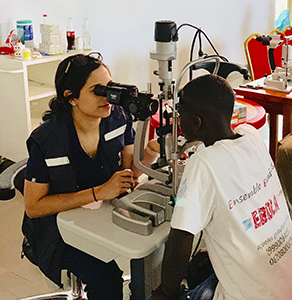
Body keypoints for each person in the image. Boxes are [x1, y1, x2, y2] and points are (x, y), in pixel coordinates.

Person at [22, 52, 158, 300]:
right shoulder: (47, 140)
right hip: (58, 228)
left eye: (110, 88)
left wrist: (149, 152)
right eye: (98, 91)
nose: (109, 97)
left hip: (101, 215)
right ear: (71, 97)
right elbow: (33, 207)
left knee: (156, 249)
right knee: (106, 279)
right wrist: (99, 192)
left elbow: (130, 174)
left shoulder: (119, 117)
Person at [149, 74, 292, 300]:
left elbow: (180, 240)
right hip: (283, 280)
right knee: (203, 264)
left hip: (250, 295)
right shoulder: (251, 136)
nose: (179, 122)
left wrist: (165, 293)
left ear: (196, 122)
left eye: (181, 117)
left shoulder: (203, 163)